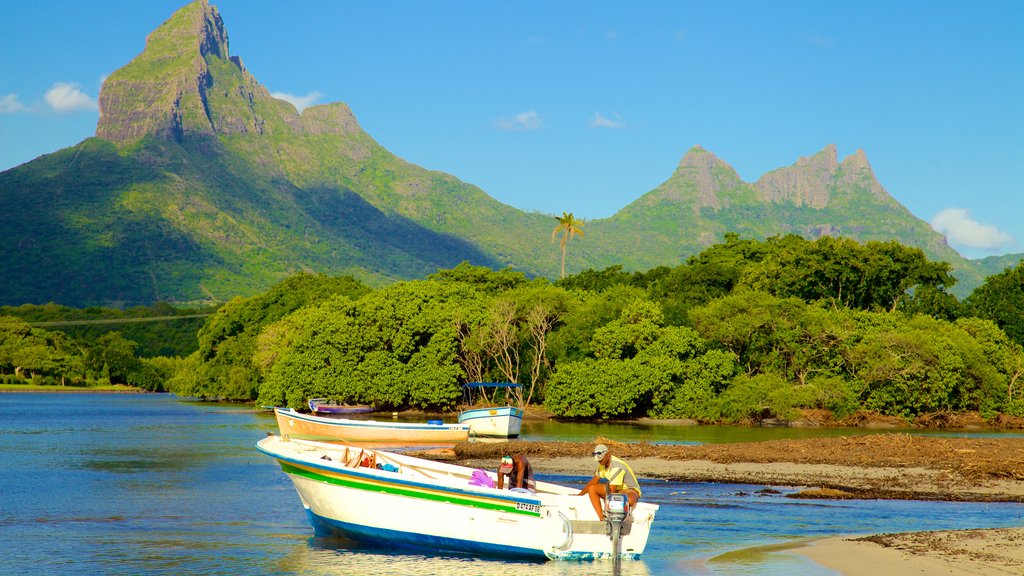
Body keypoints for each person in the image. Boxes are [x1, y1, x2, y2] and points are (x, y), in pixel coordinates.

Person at [578, 443, 641, 521]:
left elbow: (612, 491)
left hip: (630, 490)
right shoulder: (602, 464)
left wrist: (604, 497)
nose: (599, 462)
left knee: (630, 500)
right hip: (616, 490)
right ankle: (602, 518)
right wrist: (580, 495)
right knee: (592, 488)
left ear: (608, 454)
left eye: (601, 459)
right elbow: (593, 481)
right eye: (598, 460)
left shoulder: (617, 467)